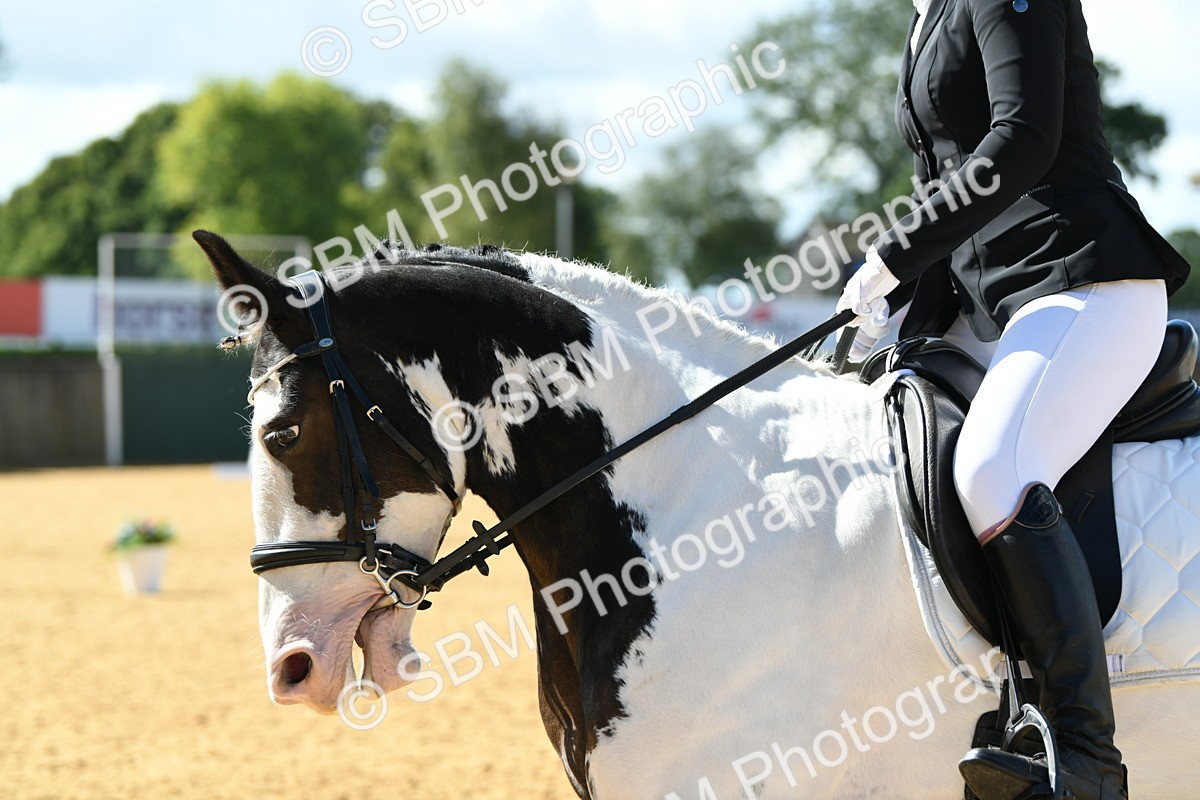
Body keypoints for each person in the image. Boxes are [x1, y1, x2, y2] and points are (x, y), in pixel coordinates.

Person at [835, 0, 1192, 798]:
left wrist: (894, 252)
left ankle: (1085, 758)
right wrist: (898, 304)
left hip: (1084, 280)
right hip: (990, 305)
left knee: (994, 468)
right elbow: (948, 180)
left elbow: (1024, 137)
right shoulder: (928, 15)